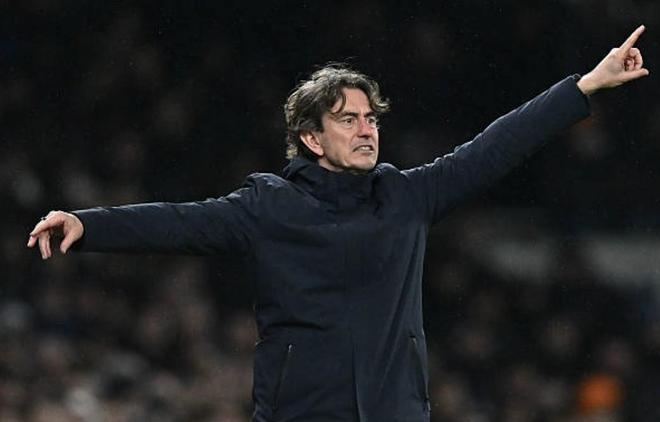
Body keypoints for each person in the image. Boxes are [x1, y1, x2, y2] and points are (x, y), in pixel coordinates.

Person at [28, 26, 649, 422]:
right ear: (311, 138)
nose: (366, 128)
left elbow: (494, 148)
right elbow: (180, 223)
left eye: (370, 117)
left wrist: (585, 86)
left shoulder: (406, 196)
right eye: (348, 119)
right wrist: (89, 224)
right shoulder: (270, 206)